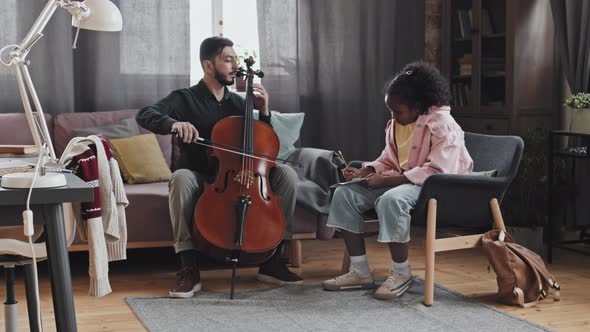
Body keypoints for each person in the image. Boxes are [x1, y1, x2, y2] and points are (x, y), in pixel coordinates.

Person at [136, 37, 302, 298]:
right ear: (208, 65)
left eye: (236, 59)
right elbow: (145, 114)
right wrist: (173, 124)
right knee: (180, 178)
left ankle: (273, 258)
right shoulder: (184, 98)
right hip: (200, 175)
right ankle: (188, 266)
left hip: (240, 177)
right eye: (228, 60)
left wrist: (265, 112)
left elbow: (263, 148)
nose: (235, 65)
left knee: (288, 176)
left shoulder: (238, 104)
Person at [322, 61, 473, 300]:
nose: (393, 116)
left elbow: (439, 172)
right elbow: (389, 159)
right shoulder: (397, 124)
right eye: (390, 111)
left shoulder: (443, 126)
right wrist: (368, 170)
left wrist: (385, 182)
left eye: (398, 111)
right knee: (345, 194)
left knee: (391, 200)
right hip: (405, 182)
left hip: (438, 188)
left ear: (419, 106)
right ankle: (360, 271)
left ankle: (402, 273)